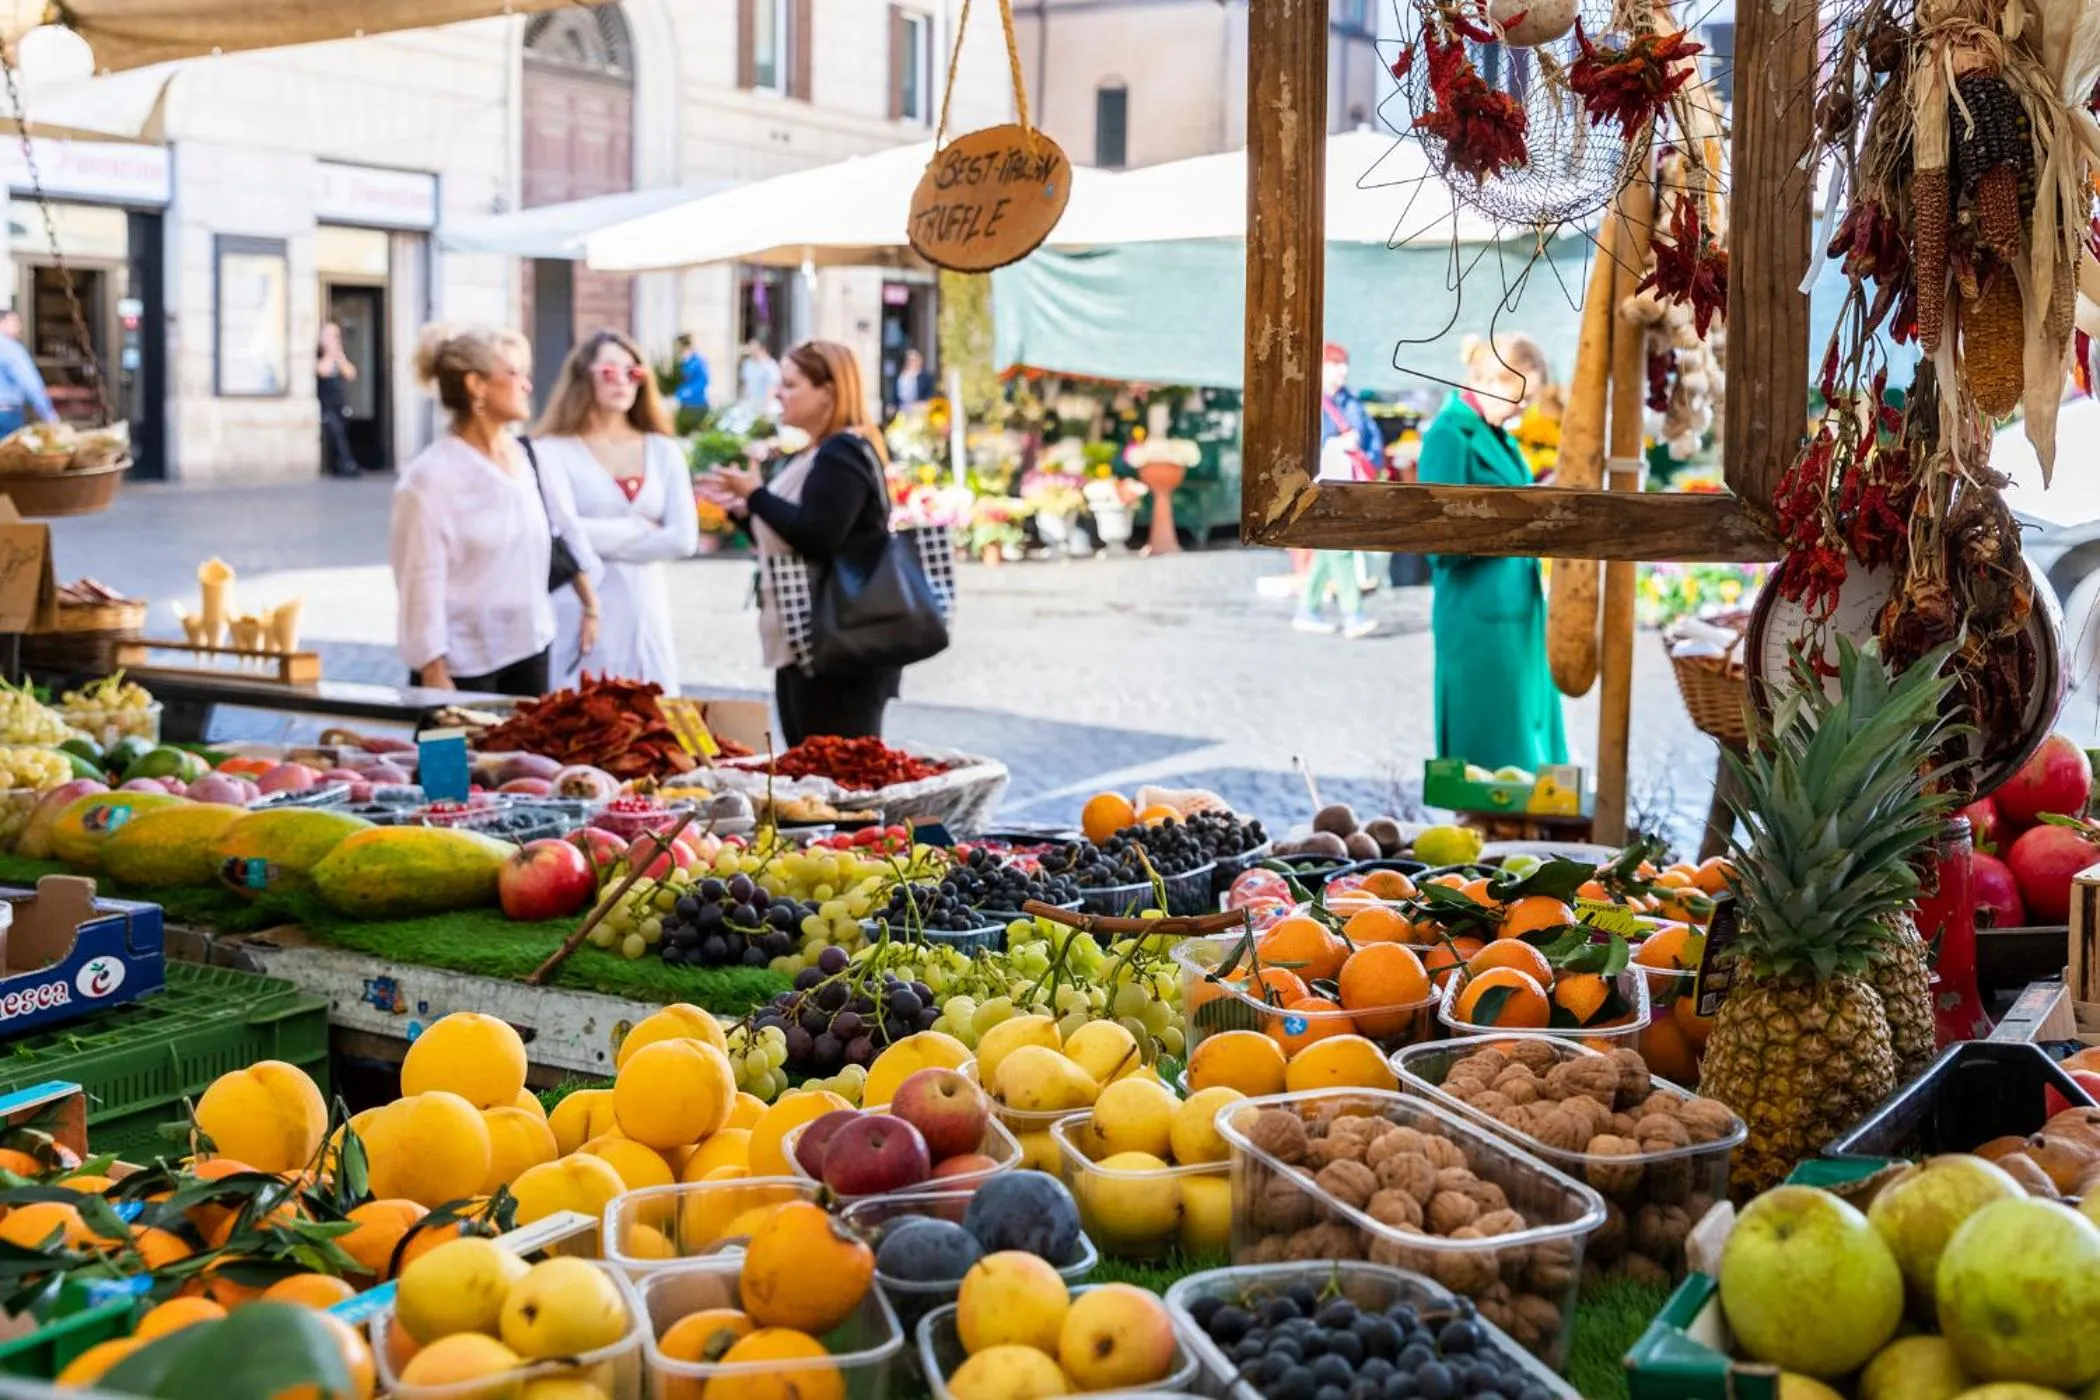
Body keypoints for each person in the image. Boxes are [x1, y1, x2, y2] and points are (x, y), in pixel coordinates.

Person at [698, 340, 905, 745]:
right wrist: (744, 510)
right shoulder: (819, 452)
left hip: (837, 647)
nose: (778, 394)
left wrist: (756, 494)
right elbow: (792, 534)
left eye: (790, 385)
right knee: (810, 766)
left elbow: (818, 536)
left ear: (827, 391)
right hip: (814, 642)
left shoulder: (841, 452)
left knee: (834, 778)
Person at [391, 324, 602, 697]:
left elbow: (564, 533)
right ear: (477, 385)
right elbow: (420, 582)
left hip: (531, 649)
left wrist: (591, 605)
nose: (527, 385)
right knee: (451, 759)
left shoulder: (527, 456)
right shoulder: (430, 478)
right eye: (515, 373)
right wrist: (433, 671)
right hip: (460, 665)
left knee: (524, 757)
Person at [1416, 332, 1568, 772]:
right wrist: (1523, 513)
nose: (1525, 408)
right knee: (1490, 749)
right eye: (1522, 396)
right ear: (1494, 380)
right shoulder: (1450, 435)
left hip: (1516, 609)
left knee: (1524, 739)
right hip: (1477, 618)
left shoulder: (1498, 433)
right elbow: (1439, 541)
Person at [533, 329, 700, 693]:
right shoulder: (552, 450)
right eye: (610, 371)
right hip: (581, 611)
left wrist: (591, 534)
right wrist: (641, 530)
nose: (623, 381)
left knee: (653, 726)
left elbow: (684, 539)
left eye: (633, 372)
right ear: (583, 376)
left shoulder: (662, 450)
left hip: (646, 613)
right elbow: (558, 533)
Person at [1294, 343, 1383, 638]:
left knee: (1328, 549)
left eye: (1343, 364)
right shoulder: (1306, 401)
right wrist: (1333, 445)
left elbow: (1372, 438)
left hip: (1349, 482)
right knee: (1339, 546)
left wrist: (1366, 457)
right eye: (1333, 365)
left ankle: (1308, 609)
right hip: (1320, 485)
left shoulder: (1351, 402)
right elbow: (1297, 447)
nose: (1341, 371)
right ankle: (1352, 614)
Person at [0, 310, 56, 439]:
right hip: (6, 415)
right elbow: (30, 383)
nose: (20, 327)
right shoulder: (11, 349)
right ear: (2, 322)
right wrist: (49, 415)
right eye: (15, 322)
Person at [317, 322, 362, 478]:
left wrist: (339, 355)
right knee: (335, 431)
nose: (334, 340)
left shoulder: (340, 357)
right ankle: (346, 463)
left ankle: (342, 464)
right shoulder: (319, 356)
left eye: (336, 336)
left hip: (340, 404)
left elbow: (351, 374)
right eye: (330, 336)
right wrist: (330, 353)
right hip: (326, 406)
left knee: (342, 431)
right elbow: (322, 371)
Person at [737, 339, 782, 420]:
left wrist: (767, 405)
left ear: (762, 349)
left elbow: (772, 387)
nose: (752, 352)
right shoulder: (748, 364)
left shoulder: (770, 366)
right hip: (751, 403)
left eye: (754, 349)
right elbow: (745, 383)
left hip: (765, 404)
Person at [673, 333, 710, 412]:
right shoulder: (682, 363)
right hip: (684, 404)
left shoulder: (698, 362)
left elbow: (704, 380)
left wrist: (689, 391)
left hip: (697, 405)